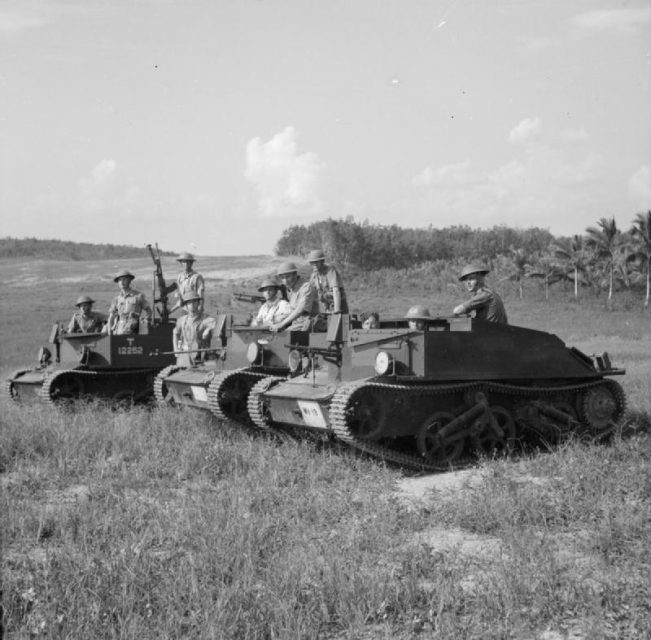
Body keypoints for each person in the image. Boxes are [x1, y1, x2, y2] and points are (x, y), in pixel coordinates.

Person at [269, 262, 320, 332]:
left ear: (295, 275)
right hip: (296, 324)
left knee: (280, 337)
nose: (285, 281)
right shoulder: (292, 290)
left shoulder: (306, 287)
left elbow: (300, 310)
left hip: (308, 325)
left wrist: (282, 324)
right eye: (283, 278)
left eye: (288, 277)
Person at [107, 269, 153, 335]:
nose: (122, 282)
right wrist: (110, 331)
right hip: (119, 328)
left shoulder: (138, 296)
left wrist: (143, 322)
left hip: (134, 327)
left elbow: (149, 311)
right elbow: (111, 317)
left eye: (125, 279)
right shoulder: (116, 299)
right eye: (120, 280)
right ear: (118, 283)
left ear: (130, 280)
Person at [173, 293, 217, 360]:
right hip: (184, 355)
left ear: (198, 303)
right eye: (189, 303)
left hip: (201, 356)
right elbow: (175, 333)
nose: (192, 305)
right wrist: (176, 349)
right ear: (186, 305)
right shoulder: (182, 320)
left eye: (194, 302)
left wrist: (208, 329)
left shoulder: (206, 319)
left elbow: (216, 326)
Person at [307, 249, 348, 315]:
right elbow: (309, 292)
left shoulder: (330, 270)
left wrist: (337, 310)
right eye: (312, 263)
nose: (314, 265)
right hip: (327, 307)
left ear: (322, 261)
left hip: (339, 305)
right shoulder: (314, 276)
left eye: (317, 262)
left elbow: (336, 290)